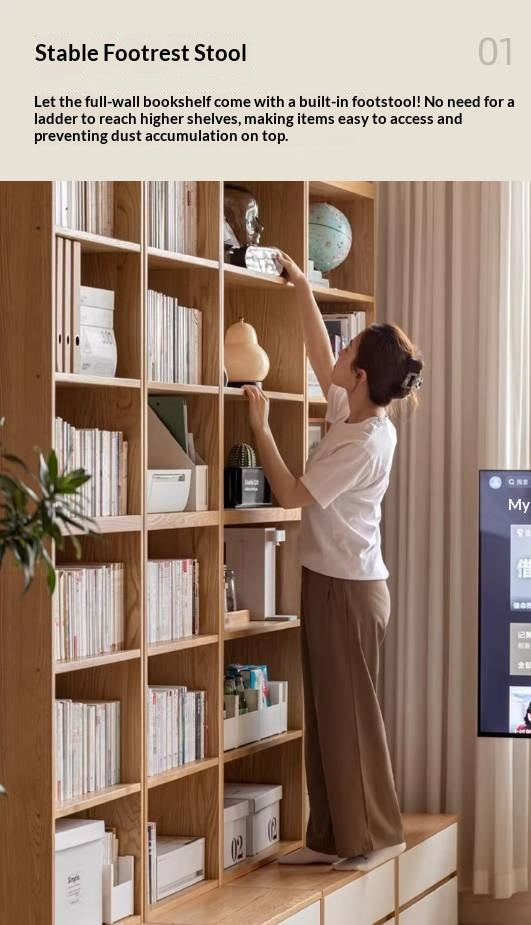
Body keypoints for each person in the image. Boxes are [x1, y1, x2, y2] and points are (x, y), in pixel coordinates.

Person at [243, 252, 424, 871]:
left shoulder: (362, 440)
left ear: (365, 374)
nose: (339, 356)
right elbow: (323, 356)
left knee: (351, 720)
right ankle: (329, 837)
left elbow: (293, 496)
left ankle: (371, 839)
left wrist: (261, 427)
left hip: (349, 588)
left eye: (353, 353)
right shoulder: (357, 410)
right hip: (331, 579)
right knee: (326, 715)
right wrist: (301, 288)